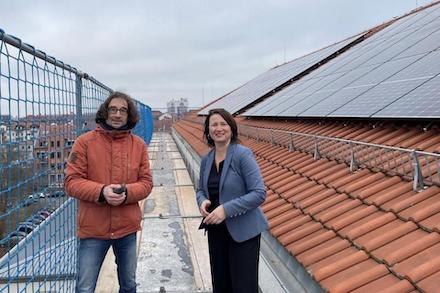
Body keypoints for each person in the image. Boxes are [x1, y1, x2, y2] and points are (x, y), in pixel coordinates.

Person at [64, 91, 153, 293]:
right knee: (85, 288)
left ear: (129, 115)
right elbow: (71, 182)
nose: (117, 114)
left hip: (127, 228)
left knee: (129, 285)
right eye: (113, 109)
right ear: (105, 112)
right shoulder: (84, 142)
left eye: (123, 110)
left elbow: (146, 183)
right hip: (93, 229)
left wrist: (126, 193)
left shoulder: (138, 145)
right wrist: (102, 192)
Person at [196, 108, 268, 293]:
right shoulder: (206, 159)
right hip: (216, 230)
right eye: (214, 124)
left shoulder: (242, 155)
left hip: (243, 232)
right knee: (221, 284)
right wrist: (202, 201)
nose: (218, 128)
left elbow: (259, 193)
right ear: (208, 130)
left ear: (231, 128)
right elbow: (200, 190)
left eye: (223, 124)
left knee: (243, 286)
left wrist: (225, 210)